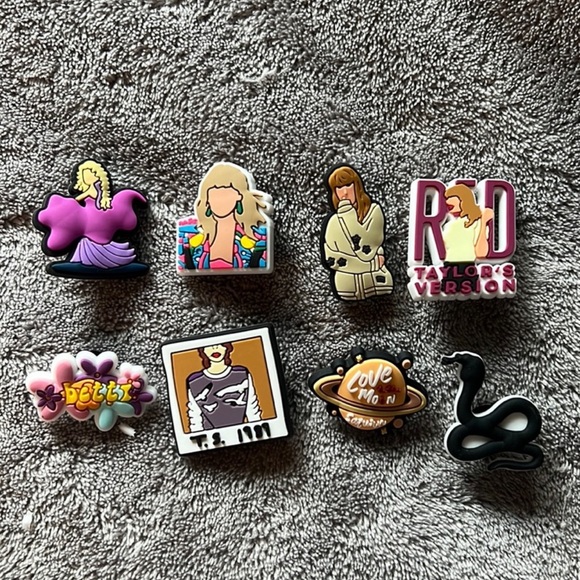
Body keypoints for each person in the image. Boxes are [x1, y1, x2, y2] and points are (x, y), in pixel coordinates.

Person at [322, 165, 393, 300]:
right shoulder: (333, 222)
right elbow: (332, 259)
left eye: (348, 185)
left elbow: (367, 247)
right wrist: (372, 264)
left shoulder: (374, 211)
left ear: (357, 186)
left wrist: (348, 215)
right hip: (347, 287)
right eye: (338, 188)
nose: (344, 192)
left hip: (377, 282)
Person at [190, 163, 271, 270]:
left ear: (239, 196)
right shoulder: (192, 239)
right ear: (207, 199)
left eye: (226, 192)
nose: (220, 200)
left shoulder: (257, 240)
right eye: (215, 193)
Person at [186, 343, 262, 432]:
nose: (215, 347)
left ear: (227, 347)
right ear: (203, 350)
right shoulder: (194, 381)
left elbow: (252, 409)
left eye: (220, 344)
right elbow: (195, 418)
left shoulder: (241, 373)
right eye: (209, 345)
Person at [441, 184, 494, 292]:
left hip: (467, 268)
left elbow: (481, 252)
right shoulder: (450, 225)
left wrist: (484, 222)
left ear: (463, 200)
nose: (447, 201)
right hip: (449, 268)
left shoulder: (476, 222)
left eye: (450, 197)